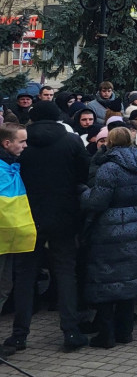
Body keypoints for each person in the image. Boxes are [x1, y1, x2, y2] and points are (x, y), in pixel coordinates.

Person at [7, 101, 91, 352]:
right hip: (63, 215)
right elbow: (82, 174)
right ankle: (71, 331)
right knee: (65, 272)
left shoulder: (22, 143)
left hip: (26, 215)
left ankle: (19, 335)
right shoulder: (72, 141)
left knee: (24, 275)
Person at [79, 127, 137, 349]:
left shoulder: (109, 168)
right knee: (128, 278)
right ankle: (125, 331)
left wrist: (82, 192)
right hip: (136, 223)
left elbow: (97, 202)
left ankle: (106, 334)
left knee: (105, 278)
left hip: (109, 227)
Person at [0, 124, 33, 357]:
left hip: (10, 237)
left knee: (4, 288)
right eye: (21, 141)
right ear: (7, 143)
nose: (25, 145)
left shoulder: (13, 166)